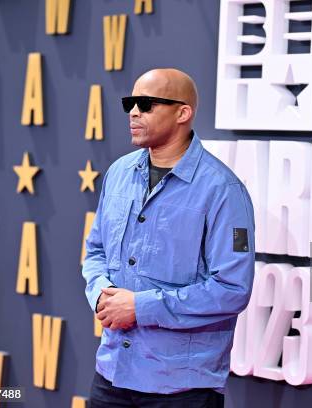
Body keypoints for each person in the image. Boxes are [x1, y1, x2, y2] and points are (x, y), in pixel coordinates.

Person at [81, 68, 256, 407]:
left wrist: (140, 307)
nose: (134, 112)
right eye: (130, 103)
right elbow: (95, 250)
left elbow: (232, 288)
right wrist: (101, 293)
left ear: (183, 112)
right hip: (111, 373)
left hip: (182, 388)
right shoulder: (119, 173)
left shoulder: (223, 190)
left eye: (145, 104)